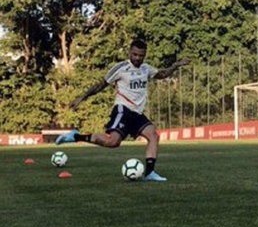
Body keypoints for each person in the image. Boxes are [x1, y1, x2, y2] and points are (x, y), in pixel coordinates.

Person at [56, 39, 190, 182]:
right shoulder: (120, 68)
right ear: (129, 52)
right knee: (113, 142)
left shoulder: (146, 69)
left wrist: (175, 66)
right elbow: (101, 85)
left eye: (141, 55)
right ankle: (76, 136)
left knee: (153, 136)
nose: (137, 58)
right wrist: (81, 98)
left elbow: (162, 74)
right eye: (135, 54)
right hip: (123, 109)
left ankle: (150, 173)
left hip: (137, 113)